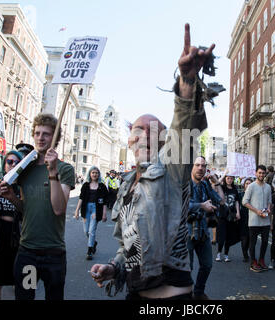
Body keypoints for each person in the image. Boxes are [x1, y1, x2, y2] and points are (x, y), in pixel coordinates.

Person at [89, 24, 214, 300]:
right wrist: (114, 267)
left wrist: (187, 83)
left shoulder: (171, 170)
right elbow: (130, 244)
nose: (144, 135)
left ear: (163, 141)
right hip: (136, 291)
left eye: (153, 130)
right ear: (129, 141)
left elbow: (184, 129)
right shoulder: (126, 186)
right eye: (137, 130)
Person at [0, 114, 75, 300]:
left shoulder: (64, 169)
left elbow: (59, 209)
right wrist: (12, 198)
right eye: (37, 133)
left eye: (47, 134)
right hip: (28, 253)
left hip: (53, 254)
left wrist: (52, 172)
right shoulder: (26, 169)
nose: (40, 138)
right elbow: (26, 209)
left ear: (55, 138)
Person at [0, 150, 23, 300]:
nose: (13, 164)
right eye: (9, 162)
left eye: (16, 162)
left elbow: (28, 213)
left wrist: (13, 197)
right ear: (4, 165)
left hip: (19, 242)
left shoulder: (24, 189)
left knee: (26, 287)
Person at [189, 156, 223, 299]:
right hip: (187, 232)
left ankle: (198, 292)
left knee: (207, 265)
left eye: (203, 165)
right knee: (186, 268)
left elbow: (221, 201)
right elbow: (180, 206)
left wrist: (217, 183)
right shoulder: (184, 185)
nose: (200, 168)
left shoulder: (205, 185)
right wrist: (202, 206)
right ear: (192, 167)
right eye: (197, 165)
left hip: (203, 231)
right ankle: (186, 293)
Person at [242, 165, 272, 272]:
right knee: (253, 242)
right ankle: (253, 262)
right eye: (259, 173)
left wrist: (268, 209)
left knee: (265, 242)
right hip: (254, 220)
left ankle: (261, 260)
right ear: (255, 173)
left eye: (263, 173)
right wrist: (256, 211)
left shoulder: (268, 187)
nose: (261, 175)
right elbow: (244, 202)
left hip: (265, 220)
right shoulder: (251, 186)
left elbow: (269, 201)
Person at [74, 166, 108, 260]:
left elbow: (105, 202)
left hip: (96, 210)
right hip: (86, 209)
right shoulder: (85, 185)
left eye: (96, 173)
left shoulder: (102, 186)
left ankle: (89, 251)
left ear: (98, 174)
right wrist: (77, 210)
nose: (94, 174)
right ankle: (93, 242)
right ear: (90, 174)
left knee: (91, 231)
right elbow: (81, 198)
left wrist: (104, 214)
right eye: (93, 172)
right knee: (86, 231)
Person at [215, 175, 240, 263]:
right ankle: (218, 253)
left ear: (233, 179)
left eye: (231, 178)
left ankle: (226, 254)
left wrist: (238, 212)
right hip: (222, 215)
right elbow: (215, 184)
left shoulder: (234, 189)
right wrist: (224, 174)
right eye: (228, 178)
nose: (229, 180)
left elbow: (237, 201)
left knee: (229, 236)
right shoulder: (222, 187)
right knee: (221, 235)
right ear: (225, 178)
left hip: (231, 216)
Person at [239, 178, 253, 262]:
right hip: (243, 218)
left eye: (250, 183)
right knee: (244, 238)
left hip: (253, 218)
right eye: (246, 183)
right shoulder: (240, 194)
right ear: (244, 185)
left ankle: (250, 253)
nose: (248, 185)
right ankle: (245, 254)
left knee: (251, 238)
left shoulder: (255, 195)